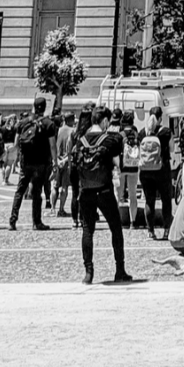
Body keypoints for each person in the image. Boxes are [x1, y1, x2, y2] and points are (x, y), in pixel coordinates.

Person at [71, 111, 133, 285]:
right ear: (105, 120)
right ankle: (119, 270)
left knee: (87, 230)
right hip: (104, 190)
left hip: (86, 191)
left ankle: (88, 273)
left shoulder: (80, 140)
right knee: (115, 229)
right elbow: (120, 161)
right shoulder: (109, 140)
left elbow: (75, 167)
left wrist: (78, 191)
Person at [14, 99, 59, 230]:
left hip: (25, 162)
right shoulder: (48, 124)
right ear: (45, 108)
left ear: (33, 107)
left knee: (19, 191)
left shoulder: (23, 122)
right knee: (37, 193)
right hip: (40, 163)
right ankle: (36, 222)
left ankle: (12, 220)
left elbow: (16, 143)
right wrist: (55, 163)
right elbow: (52, 146)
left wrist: (17, 158)